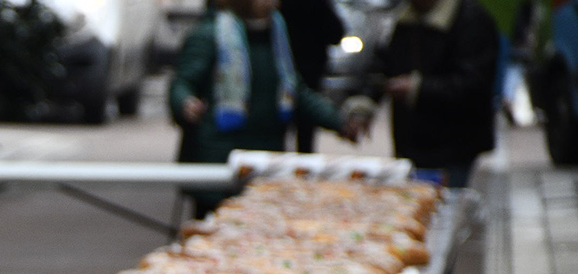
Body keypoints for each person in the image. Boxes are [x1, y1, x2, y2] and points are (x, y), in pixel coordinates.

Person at [171, 0, 361, 216]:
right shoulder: (209, 34)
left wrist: (338, 121)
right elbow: (182, 82)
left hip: (265, 157)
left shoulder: (277, 34)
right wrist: (185, 103)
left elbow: (295, 91)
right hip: (218, 159)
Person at [344, 0, 499, 187]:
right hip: (411, 140)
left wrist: (418, 88)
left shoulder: (470, 18)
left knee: (444, 201)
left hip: (453, 144)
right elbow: (381, 66)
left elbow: (474, 82)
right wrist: (364, 103)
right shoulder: (403, 19)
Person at [278, 0, 345, 151]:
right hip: (309, 71)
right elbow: (336, 34)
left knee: (280, 129)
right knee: (306, 131)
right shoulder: (318, 5)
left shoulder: (281, 8)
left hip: (288, 71)